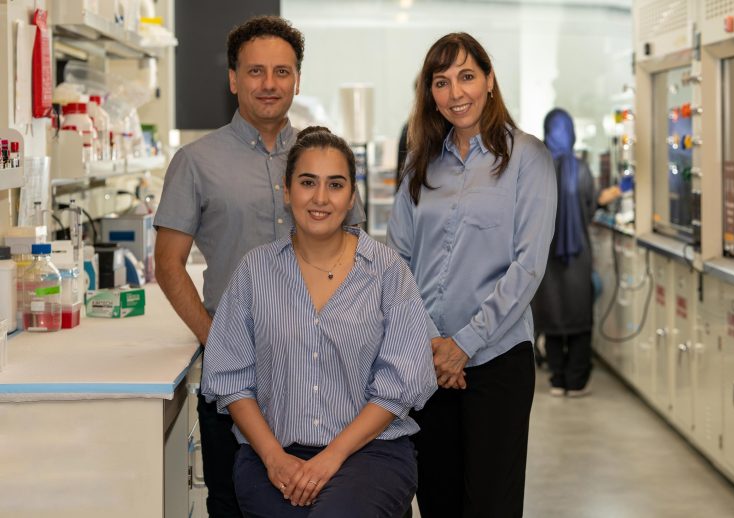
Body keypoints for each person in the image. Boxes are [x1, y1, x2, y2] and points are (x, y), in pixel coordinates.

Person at [153, 16, 365, 517]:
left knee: (331, 499)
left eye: (282, 72)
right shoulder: (196, 161)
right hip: (237, 379)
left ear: (297, 79)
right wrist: (218, 341)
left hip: (324, 374)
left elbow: (356, 253)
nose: (269, 84)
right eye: (255, 72)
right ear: (233, 79)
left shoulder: (323, 158)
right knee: (233, 502)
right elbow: (168, 264)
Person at [200, 126, 437, 518]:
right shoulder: (254, 272)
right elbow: (230, 380)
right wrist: (275, 458)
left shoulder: (387, 272)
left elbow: (399, 386)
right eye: (308, 182)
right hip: (271, 456)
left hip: (370, 452)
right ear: (287, 190)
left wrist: (332, 457)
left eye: (336, 184)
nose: (320, 198)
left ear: (351, 196)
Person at [387, 33, 557, 517]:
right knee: (437, 499)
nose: (455, 92)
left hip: (497, 361)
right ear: (430, 94)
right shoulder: (420, 165)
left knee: (490, 504)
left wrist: (463, 345)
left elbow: (527, 267)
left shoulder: (529, 158)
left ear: (489, 80)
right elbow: (397, 261)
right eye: (441, 82)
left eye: (466, 76)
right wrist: (432, 343)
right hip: (427, 361)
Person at [531, 108, 599, 398]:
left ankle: (558, 378)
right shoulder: (581, 169)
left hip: (545, 257)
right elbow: (591, 206)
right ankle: (577, 379)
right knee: (580, 315)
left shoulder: (538, 168)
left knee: (552, 314)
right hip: (578, 256)